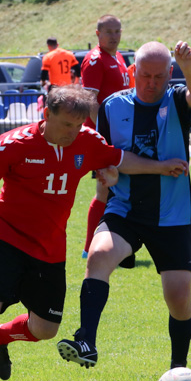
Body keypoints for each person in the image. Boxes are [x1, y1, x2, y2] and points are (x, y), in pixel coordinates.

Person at [0, 85, 189, 381]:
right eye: (66, 124)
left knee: (46, 329)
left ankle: (0, 337)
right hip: (6, 239)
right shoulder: (13, 145)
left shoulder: (87, 142)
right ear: (46, 114)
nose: (72, 132)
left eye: (78, 125)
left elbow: (120, 160)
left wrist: (160, 167)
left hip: (50, 248)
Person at [57, 40, 191, 371]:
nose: (151, 83)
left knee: (179, 298)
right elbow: (108, 157)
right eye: (144, 76)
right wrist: (107, 171)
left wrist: (188, 67)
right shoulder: (112, 107)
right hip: (125, 209)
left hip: (172, 213)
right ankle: (86, 340)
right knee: (97, 255)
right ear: (132, 72)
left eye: (158, 76)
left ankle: (178, 370)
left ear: (169, 74)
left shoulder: (177, 100)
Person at [80, 15, 131, 258]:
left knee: (117, 190)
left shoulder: (118, 57)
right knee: (105, 191)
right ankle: (89, 247)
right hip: (105, 136)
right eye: (108, 31)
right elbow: (90, 100)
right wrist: (105, 133)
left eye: (117, 31)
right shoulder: (95, 60)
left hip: (120, 133)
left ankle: (119, 244)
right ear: (97, 34)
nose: (114, 36)